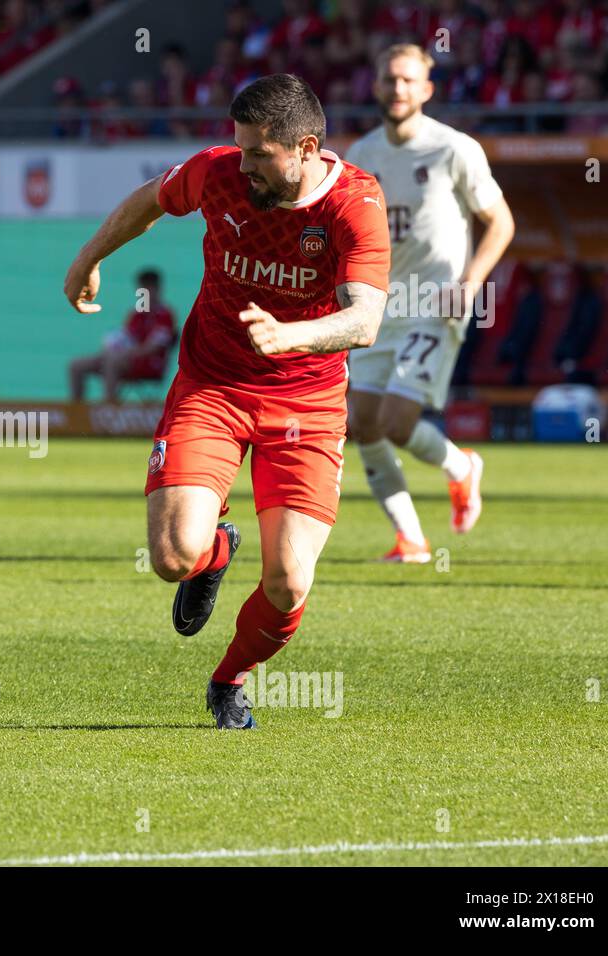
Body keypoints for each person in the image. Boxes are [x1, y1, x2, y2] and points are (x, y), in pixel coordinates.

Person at [64, 74, 390, 729]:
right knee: (172, 558)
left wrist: (292, 335)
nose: (242, 166)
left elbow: (365, 321)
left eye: (258, 155)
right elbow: (149, 202)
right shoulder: (217, 174)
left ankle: (229, 679)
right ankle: (215, 552)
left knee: (289, 584)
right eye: (238, 149)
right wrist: (90, 256)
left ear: (304, 148)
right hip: (211, 388)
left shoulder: (355, 204)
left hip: (308, 407)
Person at [344, 44, 514, 562]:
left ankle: (462, 467)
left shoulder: (454, 149)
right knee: (363, 423)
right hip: (378, 305)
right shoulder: (361, 156)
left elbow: (501, 223)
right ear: (375, 85)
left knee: (397, 421)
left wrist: (470, 280)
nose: (397, 88)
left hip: (433, 302)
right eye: (389, 79)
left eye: (407, 80)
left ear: (426, 89)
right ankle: (411, 540)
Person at [68, 269, 176, 403]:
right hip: (126, 359)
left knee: (112, 361)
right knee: (76, 365)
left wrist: (124, 353)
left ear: (158, 289)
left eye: (149, 288)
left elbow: (153, 348)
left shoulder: (165, 316)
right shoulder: (137, 314)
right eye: (142, 289)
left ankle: (108, 406)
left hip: (148, 364)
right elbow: (125, 337)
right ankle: (76, 411)